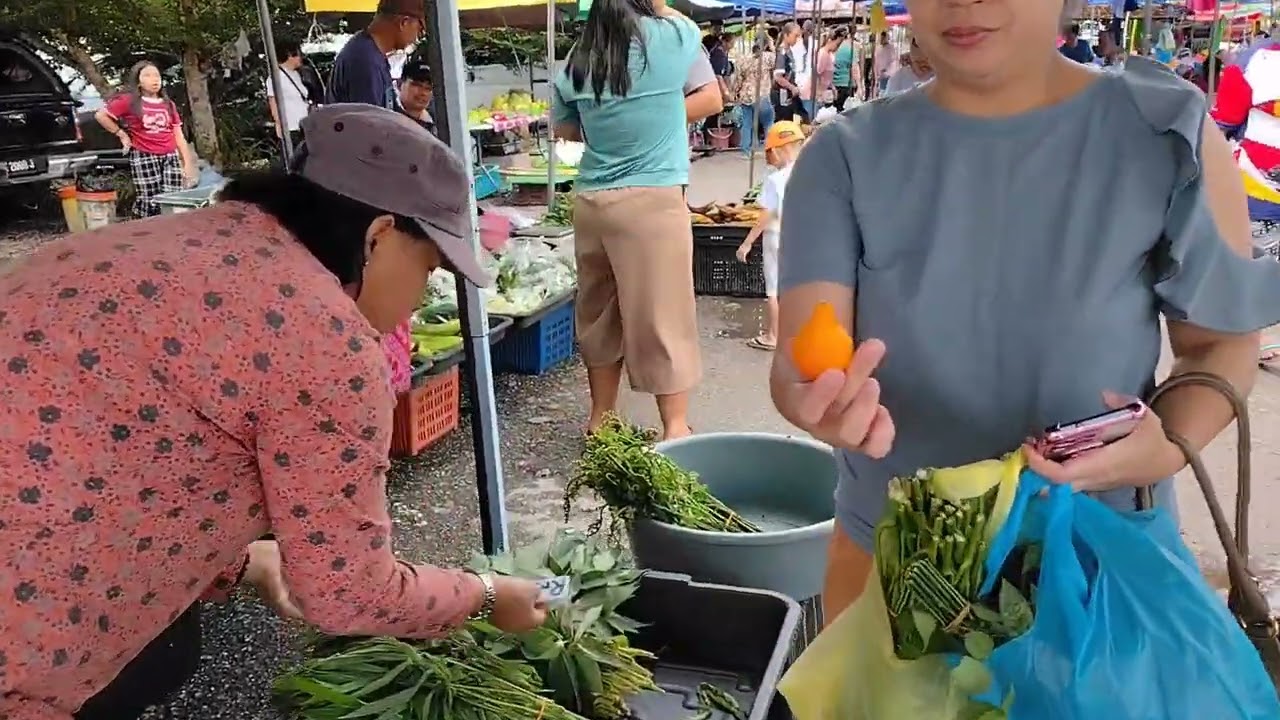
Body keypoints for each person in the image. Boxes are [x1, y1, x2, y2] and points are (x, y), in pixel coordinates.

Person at [0, 105, 550, 720]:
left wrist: (241, 560)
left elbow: (137, 447)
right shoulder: (326, 340)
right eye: (429, 266)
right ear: (378, 236)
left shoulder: (140, 244)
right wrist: (484, 595)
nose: (420, 297)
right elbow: (349, 592)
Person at [773, 0, 1280, 624]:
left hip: (1098, 564)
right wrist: (818, 402)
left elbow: (1219, 347)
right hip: (894, 563)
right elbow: (803, 356)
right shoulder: (843, 155)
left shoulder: (1165, 133)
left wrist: (1167, 445)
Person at [552, 0, 722, 440]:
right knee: (664, 314)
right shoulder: (671, 38)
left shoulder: (577, 57)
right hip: (651, 201)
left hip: (592, 202)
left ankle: (601, 419)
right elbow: (679, 20)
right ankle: (675, 427)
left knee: (599, 312)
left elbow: (565, 129)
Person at [93, 61, 197, 218]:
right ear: (138, 81)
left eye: (157, 76)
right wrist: (121, 134)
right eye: (147, 76)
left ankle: (169, 228)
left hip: (170, 156)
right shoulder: (129, 101)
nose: (154, 80)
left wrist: (187, 164)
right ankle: (142, 227)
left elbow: (178, 134)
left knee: (172, 198)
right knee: (149, 200)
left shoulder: (168, 104)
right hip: (144, 155)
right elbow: (101, 115)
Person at [737, 120, 805, 351]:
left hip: (776, 237)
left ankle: (773, 335)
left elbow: (767, 213)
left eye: (768, 153)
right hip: (800, 238)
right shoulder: (809, 173)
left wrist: (747, 243)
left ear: (776, 150)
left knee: (773, 290)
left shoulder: (775, 180)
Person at [327, 0, 422, 108]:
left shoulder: (370, 53)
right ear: (404, 23)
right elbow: (370, 117)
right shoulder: (365, 62)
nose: (416, 38)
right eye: (420, 30)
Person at [735, 34, 777, 156]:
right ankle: (770, 149)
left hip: (746, 94)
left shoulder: (743, 59)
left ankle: (745, 150)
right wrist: (771, 45)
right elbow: (776, 63)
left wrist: (736, 92)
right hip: (761, 94)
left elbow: (738, 79)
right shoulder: (768, 57)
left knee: (747, 123)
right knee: (768, 122)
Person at [266, 39, 313, 149]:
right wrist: (278, 123)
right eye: (298, 55)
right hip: (291, 127)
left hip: (304, 124)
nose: (300, 58)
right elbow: (273, 101)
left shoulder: (296, 74)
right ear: (290, 56)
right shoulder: (276, 77)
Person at [772, 22, 803, 121]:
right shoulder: (781, 52)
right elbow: (778, 77)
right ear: (786, 35)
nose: (797, 39)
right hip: (781, 94)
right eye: (795, 36)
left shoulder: (789, 50)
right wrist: (791, 87)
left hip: (789, 94)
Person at [397, 56, 436, 133]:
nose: (423, 93)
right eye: (417, 85)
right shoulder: (386, 111)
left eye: (428, 88)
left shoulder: (435, 124)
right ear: (400, 84)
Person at [812, 28, 844, 110]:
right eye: (837, 44)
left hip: (826, 91)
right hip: (820, 94)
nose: (837, 47)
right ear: (830, 41)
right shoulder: (823, 54)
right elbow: (817, 74)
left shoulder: (829, 55)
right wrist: (819, 93)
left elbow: (828, 76)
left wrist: (833, 88)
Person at [832, 26, 862, 110]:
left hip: (833, 85)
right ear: (847, 36)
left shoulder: (833, 49)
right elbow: (854, 69)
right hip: (846, 85)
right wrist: (859, 86)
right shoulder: (851, 49)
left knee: (833, 111)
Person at [872, 31, 896, 97]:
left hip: (888, 75)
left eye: (883, 38)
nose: (881, 40)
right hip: (880, 75)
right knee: (881, 92)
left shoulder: (891, 48)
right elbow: (876, 62)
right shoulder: (878, 48)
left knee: (886, 92)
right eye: (881, 38)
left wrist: (887, 70)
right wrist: (876, 74)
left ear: (886, 38)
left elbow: (893, 61)